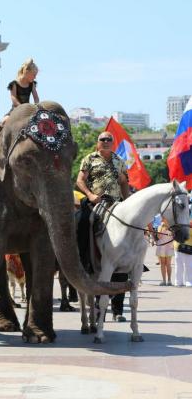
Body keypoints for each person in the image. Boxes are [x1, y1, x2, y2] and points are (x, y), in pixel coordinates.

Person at [76, 131, 130, 322]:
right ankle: (81, 259)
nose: (106, 142)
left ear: (113, 143)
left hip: (116, 205)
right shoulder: (89, 159)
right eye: (102, 139)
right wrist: (90, 195)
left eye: (109, 139)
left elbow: (124, 184)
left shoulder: (119, 160)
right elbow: (80, 180)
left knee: (129, 235)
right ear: (97, 143)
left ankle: (118, 310)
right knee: (81, 222)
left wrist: (129, 203)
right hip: (96, 203)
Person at [0, 58, 39, 134]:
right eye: (34, 75)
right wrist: (22, 107)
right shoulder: (14, 84)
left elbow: (36, 97)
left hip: (28, 108)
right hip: (16, 108)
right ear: (27, 72)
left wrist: (36, 106)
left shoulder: (32, 84)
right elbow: (14, 99)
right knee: (4, 121)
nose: (35, 77)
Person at [173, 217, 192, 287]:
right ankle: (183, 281)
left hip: (184, 247)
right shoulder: (181, 224)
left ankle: (182, 281)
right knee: (184, 265)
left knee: (184, 265)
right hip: (182, 246)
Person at [156, 217, 174, 286]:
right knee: (162, 264)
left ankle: (169, 280)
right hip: (161, 247)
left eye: (163, 218)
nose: (161, 219)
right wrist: (161, 228)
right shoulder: (160, 226)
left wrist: (168, 228)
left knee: (168, 264)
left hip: (169, 247)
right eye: (162, 218)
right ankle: (164, 280)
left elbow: (174, 236)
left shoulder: (171, 226)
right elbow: (159, 237)